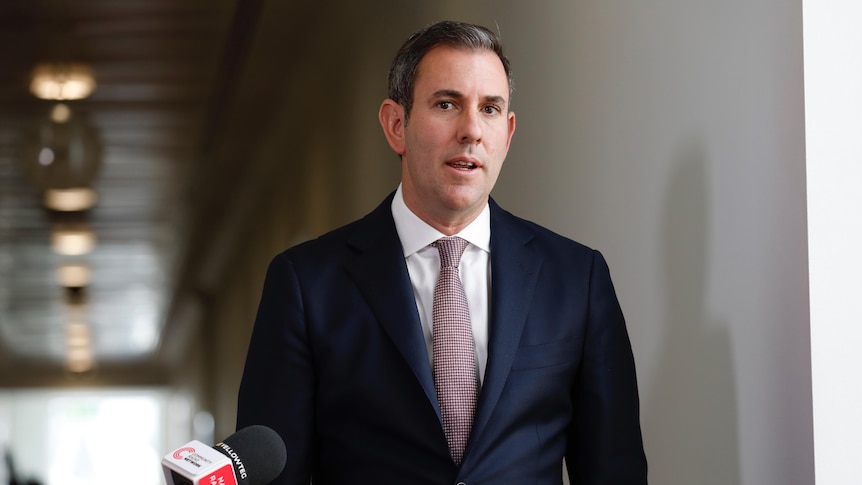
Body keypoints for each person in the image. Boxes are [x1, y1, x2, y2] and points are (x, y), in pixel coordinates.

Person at [237, 20, 647, 484]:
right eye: (447, 104)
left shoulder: (577, 278)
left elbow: (615, 470)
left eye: (490, 109)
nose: (471, 130)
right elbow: (274, 471)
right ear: (397, 125)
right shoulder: (306, 283)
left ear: (507, 135)